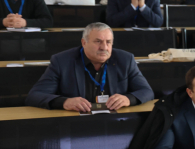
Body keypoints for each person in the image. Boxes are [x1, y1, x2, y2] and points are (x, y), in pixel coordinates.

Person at [25, 22, 154, 111]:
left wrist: (128, 99)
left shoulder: (125, 59)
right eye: (98, 41)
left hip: (115, 121)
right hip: (75, 122)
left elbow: (147, 91)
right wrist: (64, 102)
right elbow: (34, 95)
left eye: (108, 42)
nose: (104, 47)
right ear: (84, 42)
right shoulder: (62, 61)